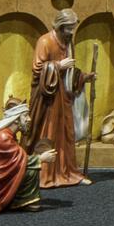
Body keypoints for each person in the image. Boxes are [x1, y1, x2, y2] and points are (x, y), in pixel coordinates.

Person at [27, 10, 90, 187]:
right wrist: (58, 65)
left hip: (64, 97)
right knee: (50, 132)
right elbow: (37, 70)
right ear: (60, 26)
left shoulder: (68, 42)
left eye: (73, 28)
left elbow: (69, 74)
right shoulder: (45, 41)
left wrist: (83, 77)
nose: (71, 32)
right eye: (69, 28)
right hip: (48, 99)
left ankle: (68, 172)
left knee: (66, 134)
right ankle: (45, 175)